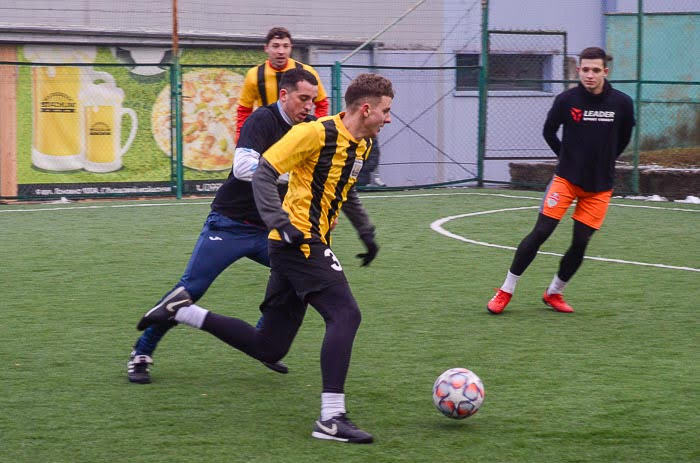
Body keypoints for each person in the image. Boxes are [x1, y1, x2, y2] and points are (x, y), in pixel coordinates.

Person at [138, 73, 394, 444]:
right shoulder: (314, 133)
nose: (388, 118)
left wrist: (366, 234)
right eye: (386, 111)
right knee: (346, 314)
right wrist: (280, 222)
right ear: (366, 108)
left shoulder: (363, 145)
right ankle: (331, 418)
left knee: (269, 347)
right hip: (299, 241)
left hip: (306, 241)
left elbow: (345, 191)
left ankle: (183, 311)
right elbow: (263, 173)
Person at [127, 68, 320, 383]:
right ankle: (142, 353)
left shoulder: (309, 128)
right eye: (303, 99)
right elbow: (243, 167)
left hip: (269, 228)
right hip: (229, 224)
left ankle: (261, 341)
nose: (309, 107)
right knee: (190, 291)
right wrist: (289, 172)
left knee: (303, 274)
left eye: (313, 100)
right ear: (284, 95)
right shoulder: (263, 120)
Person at [486, 46, 635, 314]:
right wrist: (568, 158)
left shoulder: (622, 103)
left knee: (580, 242)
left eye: (596, 70)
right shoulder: (567, 100)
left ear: (605, 71)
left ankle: (554, 292)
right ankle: (505, 290)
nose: (590, 75)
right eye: (585, 70)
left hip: (600, 187)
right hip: (566, 180)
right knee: (541, 232)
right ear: (579, 70)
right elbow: (548, 131)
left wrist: (606, 160)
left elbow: (624, 137)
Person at [236, 26, 329, 141]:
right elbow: (244, 110)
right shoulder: (254, 75)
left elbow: (322, 104)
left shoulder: (306, 71)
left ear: (291, 48)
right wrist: (241, 138)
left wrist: (316, 129)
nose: (281, 51)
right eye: (275, 46)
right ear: (266, 48)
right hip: (267, 136)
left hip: (299, 136)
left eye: (285, 46)